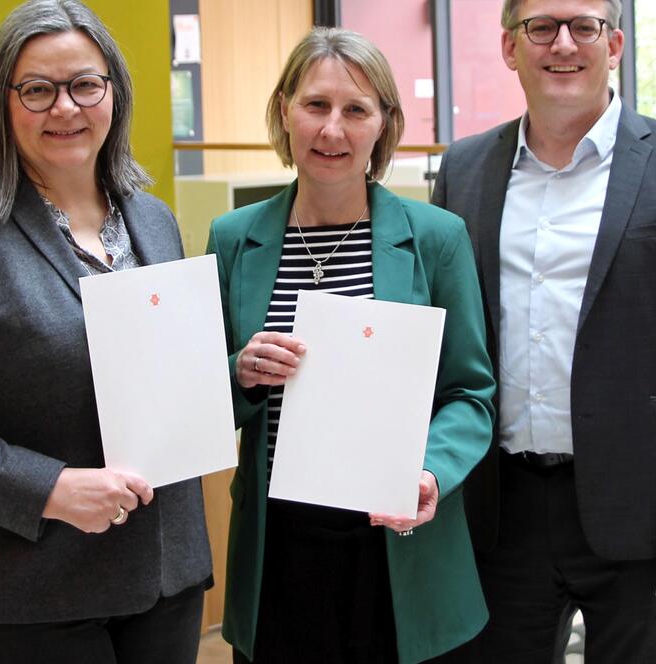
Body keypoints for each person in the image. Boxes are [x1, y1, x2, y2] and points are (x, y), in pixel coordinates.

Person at [0, 1, 210, 661]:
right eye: (38, 90)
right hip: (25, 600)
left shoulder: (155, 219)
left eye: (85, 84)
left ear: (114, 92)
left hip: (164, 579)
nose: (65, 108)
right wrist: (48, 487)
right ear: (4, 102)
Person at [431, 0, 656, 661]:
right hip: (498, 514)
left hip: (645, 519)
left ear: (615, 44)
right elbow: (441, 343)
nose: (563, 44)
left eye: (584, 26)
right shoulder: (463, 170)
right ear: (509, 47)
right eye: (541, 27)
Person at [207, 27, 496, 664]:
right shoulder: (233, 239)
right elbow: (203, 402)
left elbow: (470, 393)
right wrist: (240, 373)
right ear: (285, 109)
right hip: (278, 546)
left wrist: (430, 474)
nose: (332, 130)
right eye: (315, 105)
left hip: (399, 541)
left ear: (383, 124)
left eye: (356, 110)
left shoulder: (437, 238)